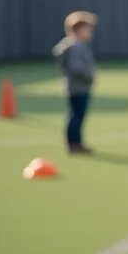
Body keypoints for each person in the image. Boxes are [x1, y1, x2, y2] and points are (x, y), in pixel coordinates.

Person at [53, 11, 98, 154]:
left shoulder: (77, 46)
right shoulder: (75, 47)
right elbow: (76, 67)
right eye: (87, 30)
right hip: (77, 87)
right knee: (76, 116)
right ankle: (73, 144)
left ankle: (76, 142)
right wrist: (88, 77)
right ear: (77, 31)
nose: (90, 33)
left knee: (77, 115)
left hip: (79, 87)